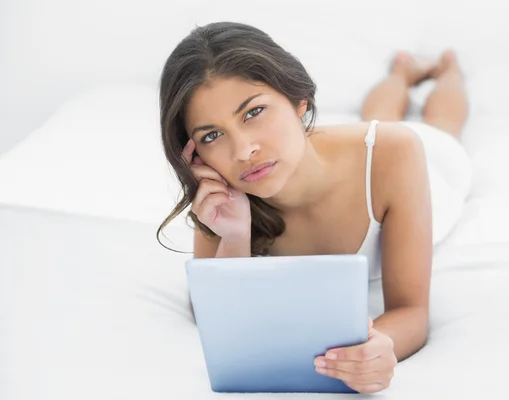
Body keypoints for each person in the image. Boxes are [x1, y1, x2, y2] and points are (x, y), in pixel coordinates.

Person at [156, 21, 470, 394]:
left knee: (438, 124)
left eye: (254, 112)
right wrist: (235, 236)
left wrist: (378, 346)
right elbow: (214, 315)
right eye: (211, 135)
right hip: (350, 149)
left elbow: (412, 313)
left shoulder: (396, 152)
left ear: (298, 100)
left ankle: (447, 69)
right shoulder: (222, 190)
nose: (242, 152)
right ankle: (401, 73)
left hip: (424, 169)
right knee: (376, 118)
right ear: (195, 154)